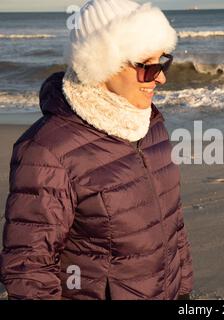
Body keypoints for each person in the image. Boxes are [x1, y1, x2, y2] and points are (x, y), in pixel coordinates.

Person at [0, 0, 193, 300]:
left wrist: (182, 292)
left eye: (163, 61)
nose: (161, 77)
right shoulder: (46, 152)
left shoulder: (150, 125)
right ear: (103, 63)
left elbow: (173, 226)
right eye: (148, 66)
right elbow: (29, 270)